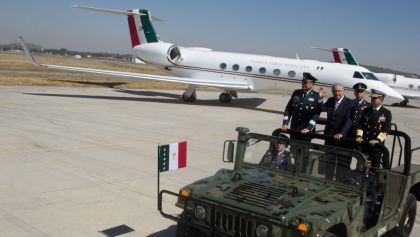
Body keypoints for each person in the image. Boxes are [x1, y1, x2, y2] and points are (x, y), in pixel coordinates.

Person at [321, 83, 354, 180]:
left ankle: (339, 183)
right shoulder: (331, 100)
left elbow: (349, 121)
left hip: (342, 139)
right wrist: (319, 98)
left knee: (341, 163)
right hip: (329, 137)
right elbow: (322, 108)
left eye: (339, 91)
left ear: (344, 91)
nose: (337, 93)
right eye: (334, 91)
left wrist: (342, 133)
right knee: (329, 162)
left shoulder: (349, 103)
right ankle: (328, 180)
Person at [356, 89, 392, 168]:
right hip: (365, 143)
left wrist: (378, 140)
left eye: (375, 98)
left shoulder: (386, 113)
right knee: (361, 165)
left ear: (381, 99)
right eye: (372, 98)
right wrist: (359, 136)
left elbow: (386, 129)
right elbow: (361, 125)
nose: (372, 100)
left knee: (374, 167)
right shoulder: (366, 110)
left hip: (376, 146)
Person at [281, 72, 322, 141]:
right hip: (294, 128)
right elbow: (288, 109)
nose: (303, 84)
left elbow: (316, 114)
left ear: (312, 84)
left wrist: (309, 128)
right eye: (302, 82)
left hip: (306, 130)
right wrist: (285, 123)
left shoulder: (316, 96)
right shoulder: (296, 93)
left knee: (304, 150)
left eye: (306, 83)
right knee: (293, 149)